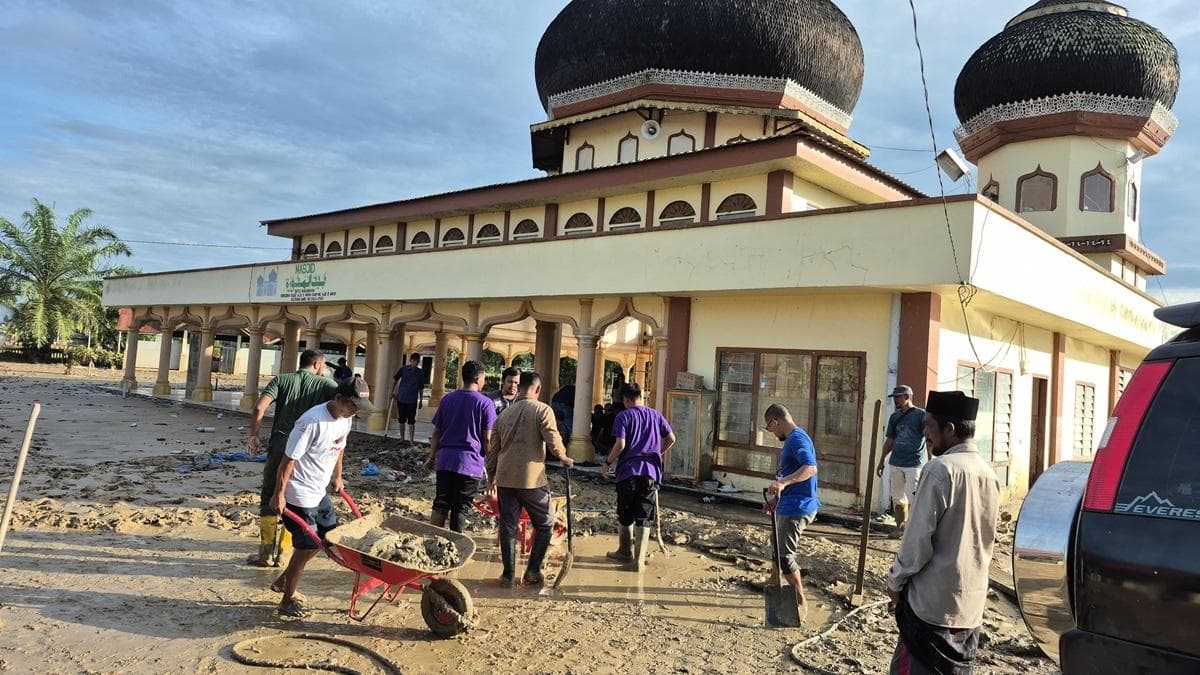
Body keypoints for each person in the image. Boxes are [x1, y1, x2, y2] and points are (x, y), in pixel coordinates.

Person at [886, 390, 999, 675]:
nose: (925, 433)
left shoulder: (940, 469)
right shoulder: (988, 474)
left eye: (929, 426)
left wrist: (895, 581)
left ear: (949, 429)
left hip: (931, 608)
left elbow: (917, 540)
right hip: (969, 609)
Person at [272, 375, 376, 617]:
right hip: (299, 493)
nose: (356, 411)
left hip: (319, 491)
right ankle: (287, 600)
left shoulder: (346, 419)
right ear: (338, 398)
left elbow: (340, 448)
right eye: (353, 405)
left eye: (359, 407)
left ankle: (284, 580)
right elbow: (288, 460)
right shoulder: (311, 422)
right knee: (307, 545)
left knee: (328, 539)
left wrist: (337, 477)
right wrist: (278, 494)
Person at [245, 349, 338, 567]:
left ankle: (265, 553)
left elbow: (259, 407)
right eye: (324, 366)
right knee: (295, 499)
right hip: (306, 452)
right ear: (317, 365)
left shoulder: (281, 380)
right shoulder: (326, 385)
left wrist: (254, 435)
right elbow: (341, 404)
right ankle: (284, 553)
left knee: (270, 495)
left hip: (279, 446)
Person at [486, 371, 574, 586]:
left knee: (508, 526)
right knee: (545, 524)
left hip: (505, 477)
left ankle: (508, 575)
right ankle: (532, 572)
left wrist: (491, 478)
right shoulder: (542, 410)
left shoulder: (504, 415)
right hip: (531, 479)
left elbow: (493, 451)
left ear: (519, 388)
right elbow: (553, 438)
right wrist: (563, 457)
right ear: (538, 389)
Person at [601, 383, 675, 571]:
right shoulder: (655, 415)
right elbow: (671, 438)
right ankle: (638, 561)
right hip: (651, 473)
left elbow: (620, 444)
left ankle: (625, 552)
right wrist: (657, 453)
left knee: (625, 513)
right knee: (644, 515)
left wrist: (608, 462)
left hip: (628, 472)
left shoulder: (623, 416)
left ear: (625, 399)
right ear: (641, 397)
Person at [763, 403, 820, 623]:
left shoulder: (797, 439)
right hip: (789, 503)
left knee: (785, 556)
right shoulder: (793, 439)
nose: (771, 432)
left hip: (798, 507)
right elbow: (792, 471)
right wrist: (776, 501)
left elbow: (810, 468)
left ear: (775, 421)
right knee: (775, 542)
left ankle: (799, 601)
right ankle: (774, 581)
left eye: (769, 428)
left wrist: (783, 483)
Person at [425, 359, 496, 532]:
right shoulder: (485, 403)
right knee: (461, 507)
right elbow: (487, 439)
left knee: (441, 503)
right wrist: (492, 469)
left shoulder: (447, 399)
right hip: (469, 464)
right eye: (484, 378)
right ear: (478, 379)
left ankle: (431, 539)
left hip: (445, 461)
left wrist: (432, 457)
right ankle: (456, 542)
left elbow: (437, 432)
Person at [875, 385, 927, 537]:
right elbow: (890, 440)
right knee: (897, 497)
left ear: (907, 397)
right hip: (896, 462)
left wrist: (931, 460)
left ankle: (913, 530)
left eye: (898, 397)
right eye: (895, 397)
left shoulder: (921, 415)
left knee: (913, 497)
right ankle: (900, 528)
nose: (896, 400)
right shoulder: (895, 417)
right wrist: (882, 460)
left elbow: (929, 437)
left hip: (914, 462)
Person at [392, 353, 425, 443]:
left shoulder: (420, 372)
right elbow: (395, 379)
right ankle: (402, 438)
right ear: (410, 361)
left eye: (417, 361)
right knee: (401, 419)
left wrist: (421, 401)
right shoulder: (403, 369)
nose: (416, 363)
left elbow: (421, 388)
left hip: (412, 400)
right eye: (414, 361)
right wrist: (393, 391)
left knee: (411, 420)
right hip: (401, 398)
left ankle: (411, 440)